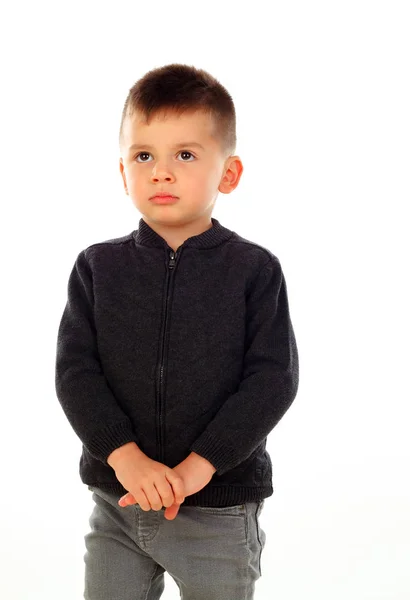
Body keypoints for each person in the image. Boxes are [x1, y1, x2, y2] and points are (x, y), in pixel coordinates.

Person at [55, 62, 299, 600]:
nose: (161, 172)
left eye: (185, 155)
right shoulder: (97, 267)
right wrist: (126, 458)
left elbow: (271, 382)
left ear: (228, 174)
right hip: (118, 503)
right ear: (123, 173)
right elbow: (75, 373)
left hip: (218, 508)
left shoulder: (254, 271)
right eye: (144, 156)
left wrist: (196, 469)